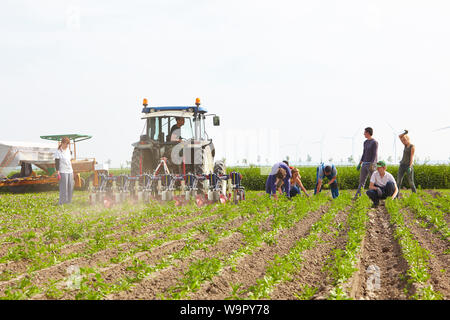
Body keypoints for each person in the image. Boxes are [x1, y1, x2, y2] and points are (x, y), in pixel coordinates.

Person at [354, 127, 378, 200]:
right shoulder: (365, 142)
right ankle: (357, 196)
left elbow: (374, 154)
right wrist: (360, 163)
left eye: (365, 132)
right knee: (361, 181)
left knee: (373, 181)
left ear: (368, 133)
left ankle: (375, 196)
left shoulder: (374, 142)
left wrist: (372, 164)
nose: (364, 134)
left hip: (371, 165)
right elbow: (364, 153)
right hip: (364, 164)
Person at [55, 137, 74, 205]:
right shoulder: (58, 151)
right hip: (63, 171)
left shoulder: (68, 150)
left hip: (70, 171)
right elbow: (57, 162)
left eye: (68, 144)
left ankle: (69, 202)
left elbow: (70, 160)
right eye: (66, 144)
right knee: (63, 188)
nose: (67, 146)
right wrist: (58, 172)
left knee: (70, 187)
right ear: (62, 143)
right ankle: (62, 202)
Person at [397, 130, 416, 195]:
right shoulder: (405, 145)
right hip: (402, 165)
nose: (403, 141)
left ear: (408, 139)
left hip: (408, 166)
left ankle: (414, 195)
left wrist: (410, 167)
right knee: (398, 182)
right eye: (403, 140)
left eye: (405, 140)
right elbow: (399, 136)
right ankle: (396, 196)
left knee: (411, 182)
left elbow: (411, 157)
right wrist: (405, 133)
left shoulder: (412, 146)